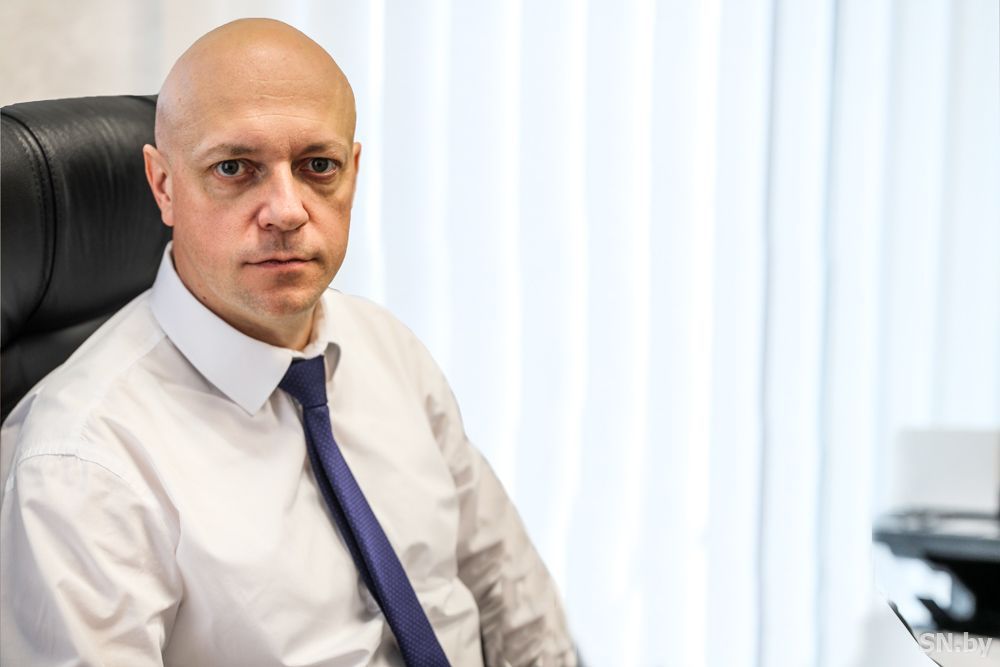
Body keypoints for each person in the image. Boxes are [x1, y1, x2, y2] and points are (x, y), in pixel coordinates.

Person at [0, 18, 577, 666]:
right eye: (234, 167)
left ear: (353, 172)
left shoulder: (386, 346)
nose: (287, 210)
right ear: (164, 186)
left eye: (318, 166)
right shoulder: (82, 465)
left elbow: (507, 589)